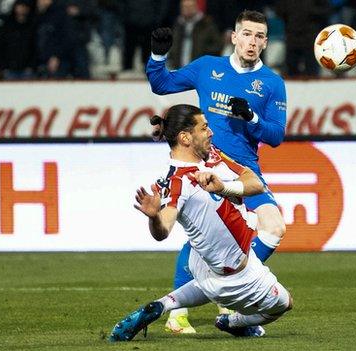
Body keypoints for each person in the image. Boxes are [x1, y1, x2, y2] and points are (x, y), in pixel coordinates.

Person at [146, 9, 288, 333]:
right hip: (206, 165)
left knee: (274, 226)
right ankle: (178, 315)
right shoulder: (208, 67)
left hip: (243, 170)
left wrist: (252, 120)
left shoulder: (272, 83)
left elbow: (276, 136)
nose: (252, 42)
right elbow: (161, 83)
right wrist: (157, 54)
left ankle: (226, 288)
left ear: (266, 42)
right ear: (234, 37)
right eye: (247, 34)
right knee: (201, 240)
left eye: (259, 36)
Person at [109, 104, 293, 341]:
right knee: (284, 304)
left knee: (208, 282)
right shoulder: (177, 181)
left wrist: (224, 186)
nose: (211, 132)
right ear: (185, 137)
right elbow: (163, 230)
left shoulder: (212, 155)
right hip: (234, 273)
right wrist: (155, 216)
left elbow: (255, 182)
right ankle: (234, 322)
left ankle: (162, 305)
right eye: (204, 128)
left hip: (203, 261)